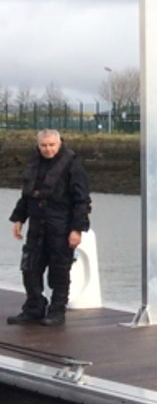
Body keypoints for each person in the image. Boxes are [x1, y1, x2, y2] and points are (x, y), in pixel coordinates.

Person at [8, 129, 92, 327]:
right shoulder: (34, 163)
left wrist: (77, 229)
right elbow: (27, 195)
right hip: (37, 226)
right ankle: (34, 308)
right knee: (29, 268)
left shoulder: (73, 166)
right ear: (38, 146)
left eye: (51, 145)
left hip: (61, 226)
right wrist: (19, 219)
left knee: (59, 271)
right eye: (44, 146)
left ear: (59, 143)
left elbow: (82, 201)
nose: (48, 149)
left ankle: (57, 311)